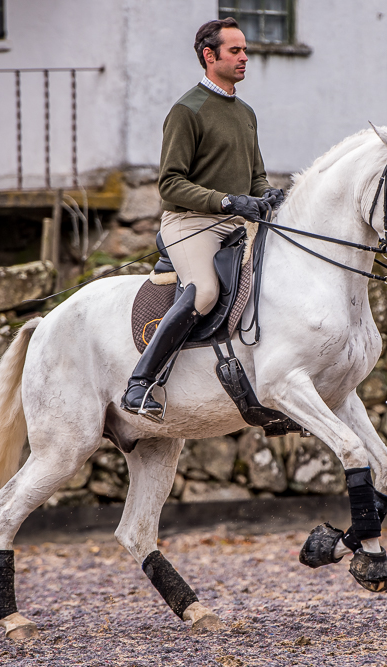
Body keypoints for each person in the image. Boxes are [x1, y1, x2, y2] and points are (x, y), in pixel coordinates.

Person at [122, 17, 284, 421]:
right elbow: (170, 184)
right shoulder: (186, 110)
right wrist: (229, 202)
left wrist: (266, 195)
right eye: (236, 51)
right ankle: (140, 384)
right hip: (190, 224)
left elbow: (256, 176)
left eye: (245, 50)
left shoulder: (245, 112)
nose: (245, 57)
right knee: (206, 291)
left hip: (235, 223)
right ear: (210, 56)